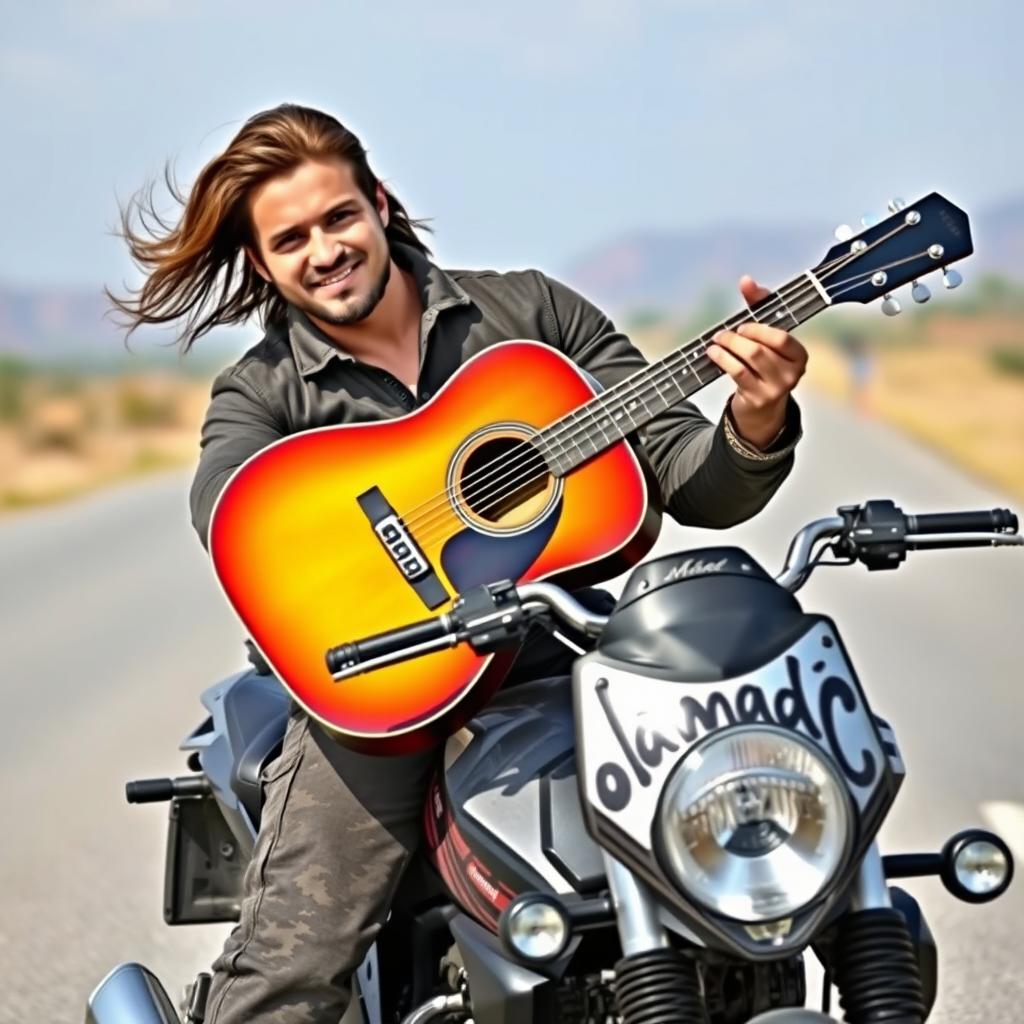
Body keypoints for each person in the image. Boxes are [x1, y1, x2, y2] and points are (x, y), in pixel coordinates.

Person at [108, 103, 808, 1024]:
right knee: (295, 966)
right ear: (262, 263)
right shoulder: (263, 389)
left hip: (568, 647)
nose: (325, 249)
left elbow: (687, 476)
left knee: (761, 812)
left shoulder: (531, 315)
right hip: (386, 687)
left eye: (338, 217)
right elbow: (235, 521)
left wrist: (754, 420)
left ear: (381, 203)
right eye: (292, 239)